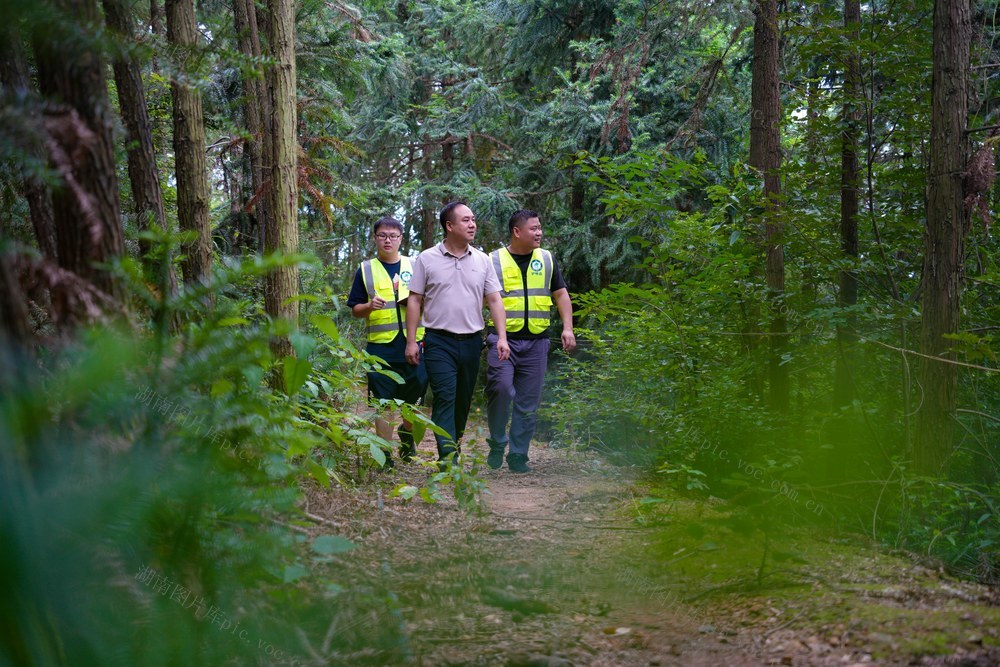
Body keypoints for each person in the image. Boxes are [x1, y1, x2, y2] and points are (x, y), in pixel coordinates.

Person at [404, 202, 510, 467]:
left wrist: (503, 337)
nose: (472, 224)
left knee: (462, 400)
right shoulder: (427, 258)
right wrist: (411, 341)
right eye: (465, 220)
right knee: (445, 396)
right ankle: (447, 456)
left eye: (473, 219)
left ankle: (455, 444)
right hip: (439, 340)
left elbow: (495, 301)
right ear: (449, 226)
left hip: (473, 342)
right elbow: (415, 300)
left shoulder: (483, 260)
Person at [484, 210, 575, 473]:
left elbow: (561, 295)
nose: (539, 233)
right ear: (517, 231)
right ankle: (497, 442)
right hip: (503, 341)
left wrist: (567, 328)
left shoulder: (546, 258)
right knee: (500, 390)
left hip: (537, 342)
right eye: (534, 228)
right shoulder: (492, 261)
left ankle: (518, 455)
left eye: (540, 228)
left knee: (527, 402)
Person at [347, 216, 428, 468]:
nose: (388, 240)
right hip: (380, 347)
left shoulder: (415, 265)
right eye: (382, 235)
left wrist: (413, 302)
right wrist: (370, 306)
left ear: (401, 238)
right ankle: (385, 454)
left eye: (393, 235)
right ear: (375, 238)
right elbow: (355, 309)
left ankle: (406, 434)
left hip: (415, 344)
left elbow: (432, 300)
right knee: (382, 402)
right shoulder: (366, 269)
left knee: (413, 399)